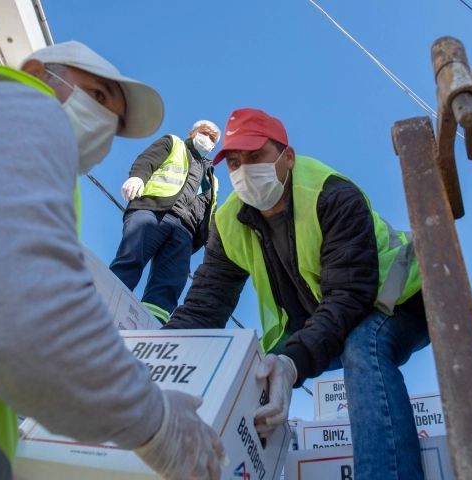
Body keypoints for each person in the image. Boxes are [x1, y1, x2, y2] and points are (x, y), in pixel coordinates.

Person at [0, 41, 225, 480]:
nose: (105, 122)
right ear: (35, 72)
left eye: (116, 122)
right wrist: (154, 421)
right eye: (99, 96)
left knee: (162, 292)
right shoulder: (14, 103)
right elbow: (20, 310)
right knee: (127, 266)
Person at [163, 108, 431, 479]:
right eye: (235, 163)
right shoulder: (227, 224)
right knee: (255, 375)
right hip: (329, 318)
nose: (244, 171)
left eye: (256, 156)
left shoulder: (331, 194)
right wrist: (156, 362)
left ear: (288, 156)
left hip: (400, 298)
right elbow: (205, 305)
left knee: (363, 346)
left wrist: (293, 363)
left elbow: (349, 297)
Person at [110, 121, 220, 324]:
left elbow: (211, 213)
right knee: (130, 259)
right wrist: (137, 178)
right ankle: (103, 306)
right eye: (204, 133)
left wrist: (213, 246)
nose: (208, 139)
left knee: (169, 284)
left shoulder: (212, 178)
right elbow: (148, 159)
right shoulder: (174, 143)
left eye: (213, 138)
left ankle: (149, 326)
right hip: (152, 211)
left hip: (185, 232)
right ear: (192, 132)